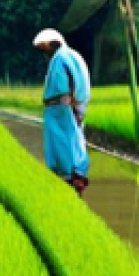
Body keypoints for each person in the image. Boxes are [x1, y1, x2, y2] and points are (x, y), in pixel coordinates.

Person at [34, 28, 91, 195]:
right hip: (65, 106)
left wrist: (71, 100)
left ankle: (68, 177)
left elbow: (71, 81)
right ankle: (76, 176)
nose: (45, 53)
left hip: (61, 108)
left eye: (45, 49)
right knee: (73, 139)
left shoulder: (62, 57)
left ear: (53, 45)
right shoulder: (69, 56)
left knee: (62, 143)